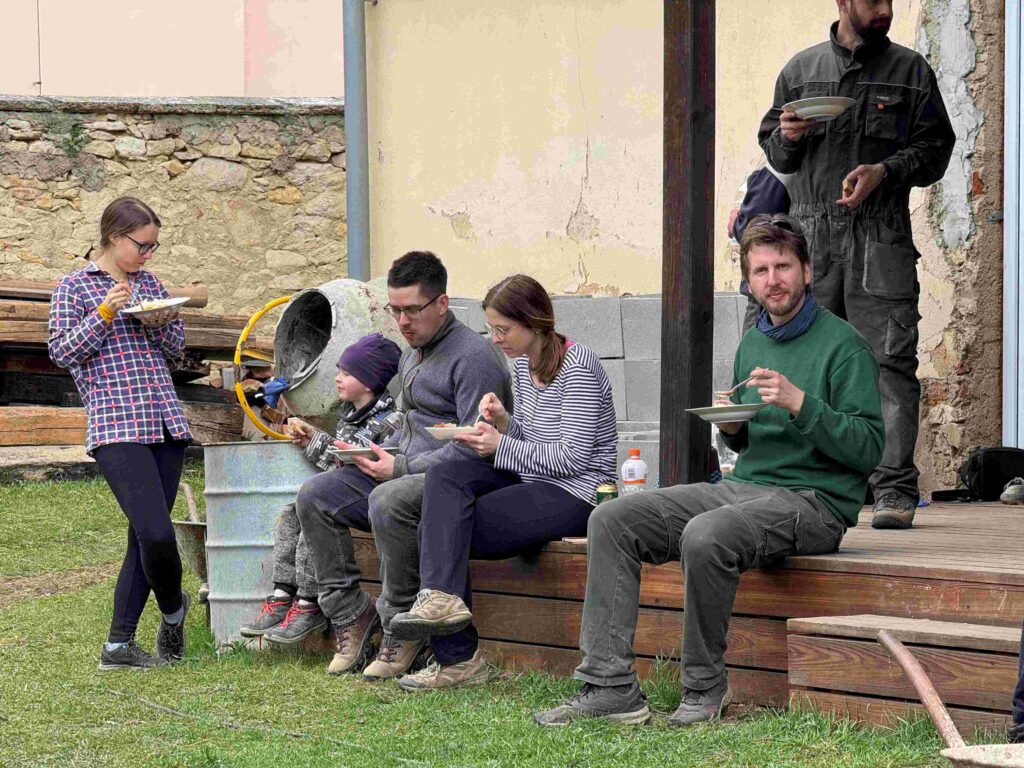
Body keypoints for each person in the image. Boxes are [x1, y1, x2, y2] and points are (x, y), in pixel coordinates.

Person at [534, 215, 884, 727]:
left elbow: (869, 449)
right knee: (612, 518)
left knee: (705, 534)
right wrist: (733, 426)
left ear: (807, 272)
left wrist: (801, 403)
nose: (773, 280)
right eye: (760, 270)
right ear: (749, 281)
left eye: (783, 266)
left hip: (815, 503)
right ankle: (609, 687)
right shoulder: (753, 341)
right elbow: (748, 441)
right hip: (746, 488)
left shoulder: (845, 346)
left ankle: (704, 686)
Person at [757, 0, 954, 529]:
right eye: (873, 0)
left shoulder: (910, 70)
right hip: (811, 236)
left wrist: (886, 171)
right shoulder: (801, 71)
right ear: (843, 2)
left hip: (879, 233)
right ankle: (810, 482)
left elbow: (937, 149)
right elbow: (777, 156)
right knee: (807, 360)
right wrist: (788, 136)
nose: (885, 9)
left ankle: (893, 488)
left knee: (889, 361)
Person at [381, 274, 618, 691]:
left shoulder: (579, 366)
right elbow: (532, 439)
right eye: (492, 329)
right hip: (533, 478)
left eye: (503, 329)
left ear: (534, 321)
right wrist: (505, 423)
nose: (496, 339)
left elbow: (573, 458)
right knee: (446, 475)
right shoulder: (524, 365)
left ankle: (458, 658)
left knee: (444, 530)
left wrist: (499, 445)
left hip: (580, 491)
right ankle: (443, 607)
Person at [295, 251, 513, 680]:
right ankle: (350, 616)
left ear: (442, 303)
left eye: (412, 310)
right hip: (405, 468)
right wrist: (369, 453)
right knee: (316, 495)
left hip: (461, 479)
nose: (402, 322)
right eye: (395, 310)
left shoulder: (474, 357)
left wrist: (400, 468)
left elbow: (475, 448)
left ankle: (398, 624)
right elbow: (409, 427)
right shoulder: (412, 354)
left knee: (390, 498)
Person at [48, 196, 193, 670]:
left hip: (164, 421)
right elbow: (62, 353)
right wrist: (105, 313)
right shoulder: (74, 287)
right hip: (115, 424)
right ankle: (174, 611)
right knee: (155, 533)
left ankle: (118, 646)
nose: (147, 255)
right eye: (142, 246)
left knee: (141, 537)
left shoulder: (150, 284)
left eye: (153, 247)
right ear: (114, 236)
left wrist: (163, 322)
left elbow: (176, 350)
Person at [238, 334, 402, 645]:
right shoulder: (349, 414)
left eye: (347, 373)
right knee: (291, 514)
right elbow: (340, 461)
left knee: (314, 509)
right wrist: (311, 439)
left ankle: (308, 601)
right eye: (339, 370)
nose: (337, 378)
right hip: (344, 490)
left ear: (369, 382)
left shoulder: (390, 421)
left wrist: (324, 446)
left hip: (370, 497)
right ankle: (282, 593)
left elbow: (362, 467)